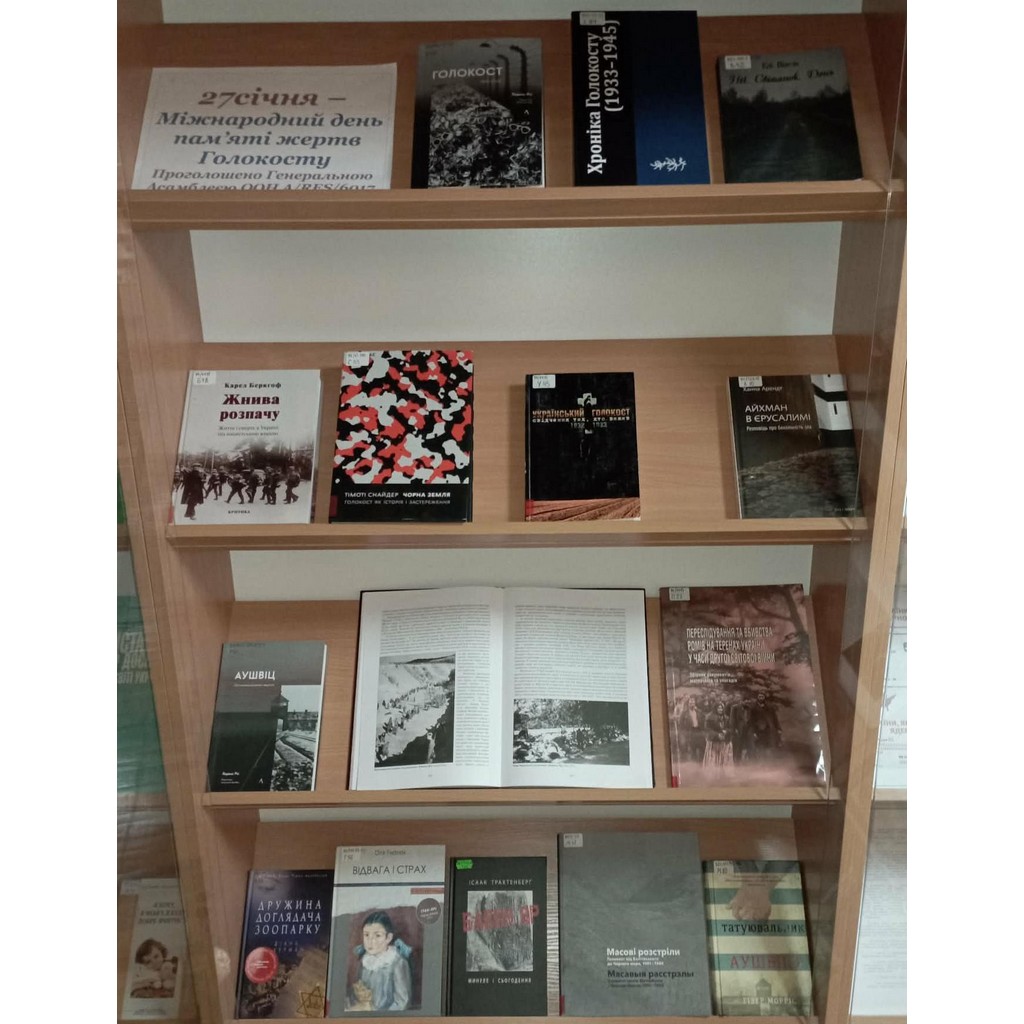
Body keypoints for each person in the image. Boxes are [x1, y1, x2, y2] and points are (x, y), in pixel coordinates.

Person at [349, 910, 413, 1012]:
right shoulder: (365, 961)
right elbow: (357, 995)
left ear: (388, 938)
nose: (370, 941)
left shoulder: (397, 962)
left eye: (377, 935)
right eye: (366, 935)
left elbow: (402, 1002)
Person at [702, 702, 734, 772]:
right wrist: (717, 735)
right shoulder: (709, 717)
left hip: (723, 742)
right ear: (715, 708)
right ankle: (713, 773)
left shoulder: (726, 718)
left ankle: (723, 773)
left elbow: (730, 728)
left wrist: (726, 731)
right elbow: (707, 729)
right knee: (713, 759)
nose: (720, 709)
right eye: (719, 708)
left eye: (722, 708)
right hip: (713, 741)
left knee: (723, 759)